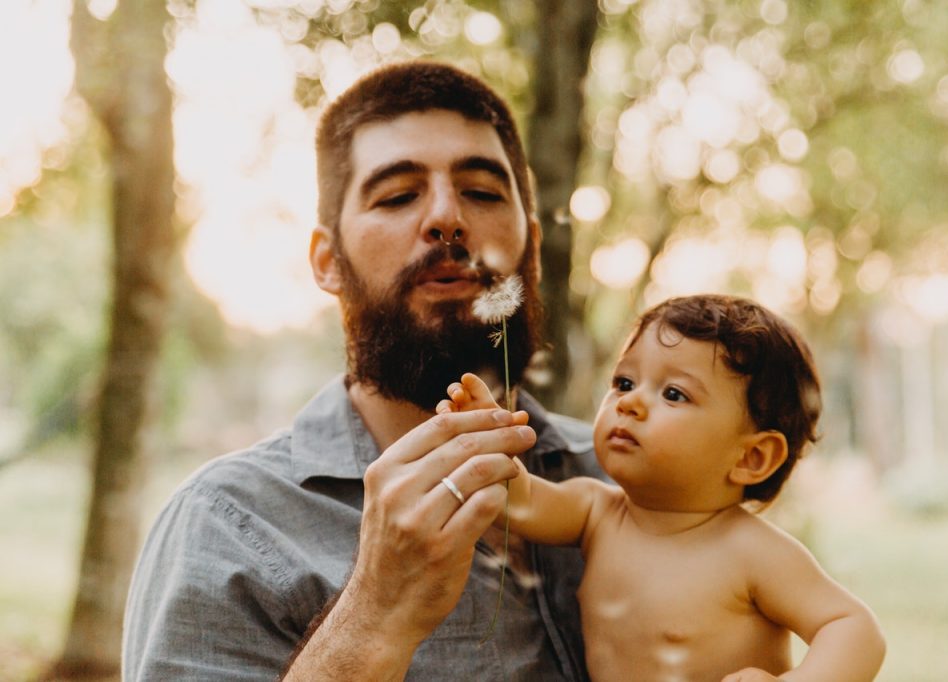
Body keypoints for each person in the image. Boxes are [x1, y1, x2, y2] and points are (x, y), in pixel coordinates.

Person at [122, 60, 604, 680]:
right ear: (327, 260)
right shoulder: (224, 524)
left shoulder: (628, 479)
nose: (446, 217)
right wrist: (375, 614)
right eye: (398, 195)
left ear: (532, 250)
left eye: (481, 192)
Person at [440, 294, 887, 682]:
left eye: (673, 394)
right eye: (624, 382)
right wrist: (482, 433)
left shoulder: (751, 551)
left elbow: (853, 628)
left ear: (750, 458)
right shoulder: (596, 512)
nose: (629, 403)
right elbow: (520, 498)